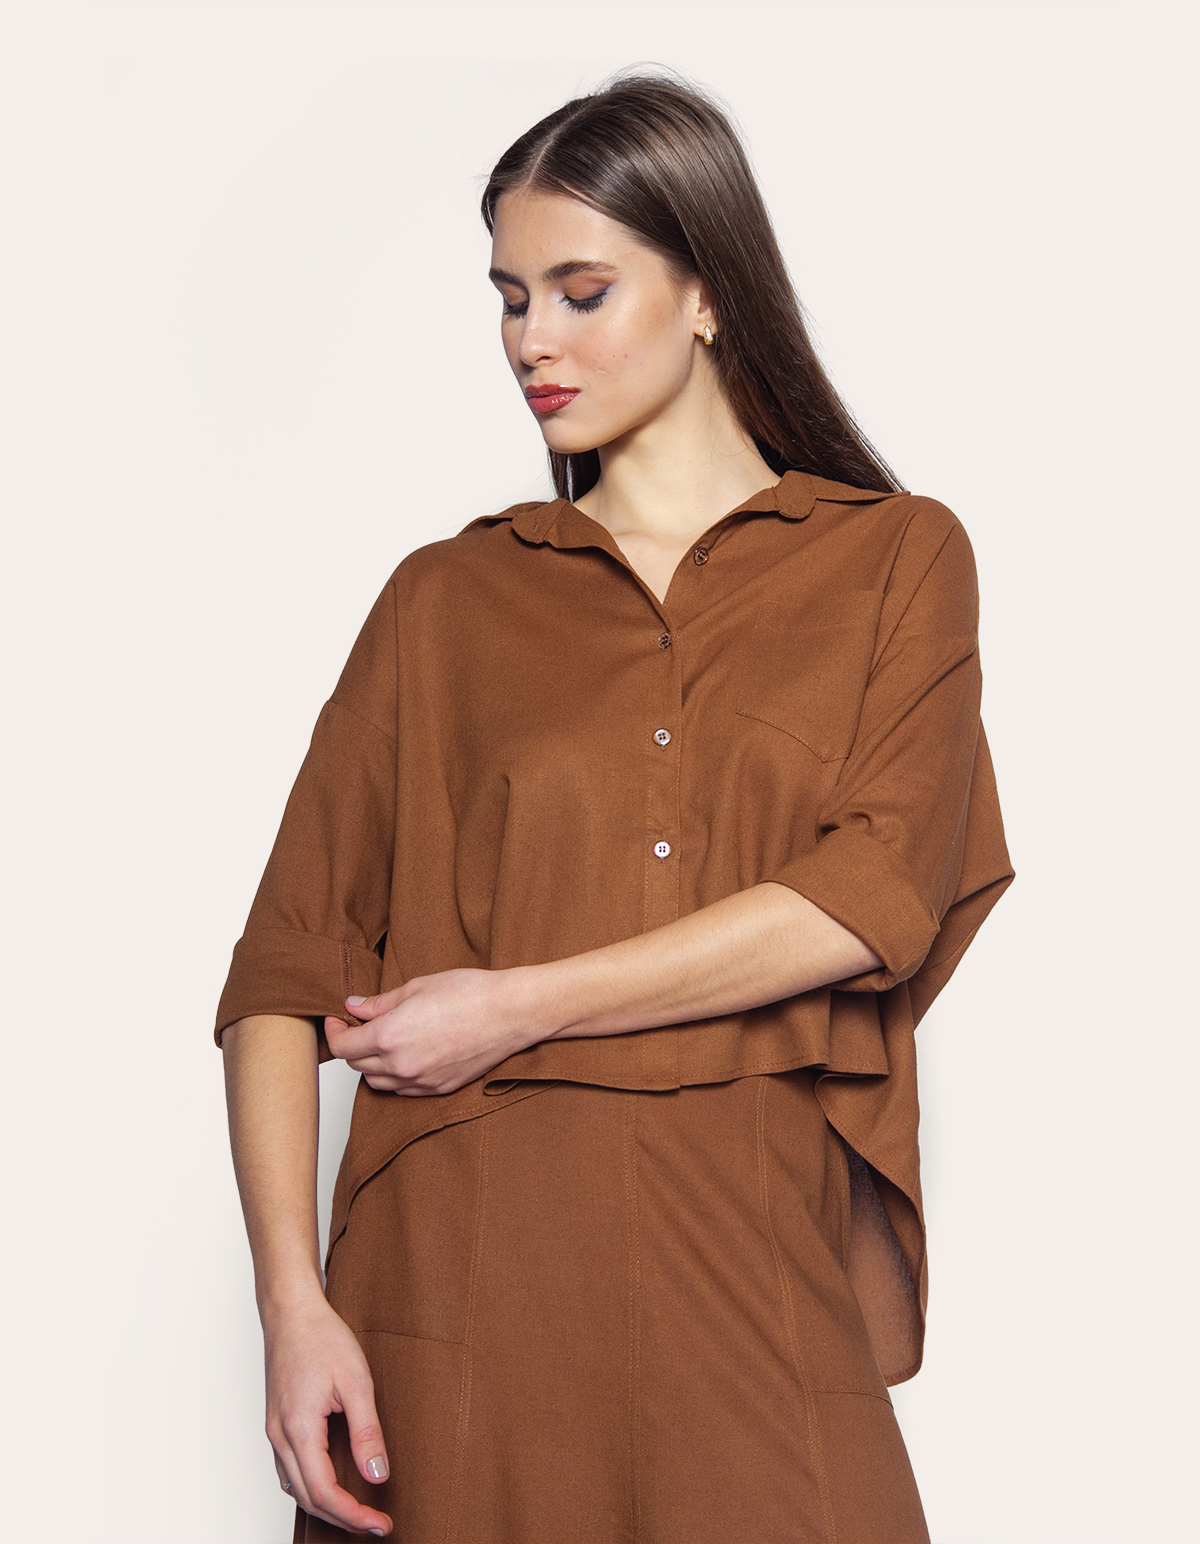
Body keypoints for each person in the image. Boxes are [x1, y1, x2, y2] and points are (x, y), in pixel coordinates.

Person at [217, 70, 1013, 1544]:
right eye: (511, 298)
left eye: (582, 293)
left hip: (746, 1246)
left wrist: (515, 1004)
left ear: (709, 292)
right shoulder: (446, 599)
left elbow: (872, 901)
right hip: (457, 1258)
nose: (533, 340)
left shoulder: (894, 560)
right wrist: (291, 1308)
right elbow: (282, 969)